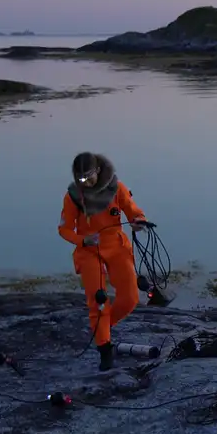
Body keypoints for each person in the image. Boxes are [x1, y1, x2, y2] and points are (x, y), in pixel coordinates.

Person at [57, 152, 150, 371]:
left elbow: (133, 210)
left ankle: (102, 328)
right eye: (80, 179)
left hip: (117, 247)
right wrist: (82, 240)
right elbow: (64, 229)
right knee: (98, 302)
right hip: (89, 251)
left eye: (88, 177)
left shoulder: (117, 188)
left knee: (129, 299)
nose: (85, 182)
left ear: (98, 171)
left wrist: (139, 221)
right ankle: (104, 349)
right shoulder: (72, 197)